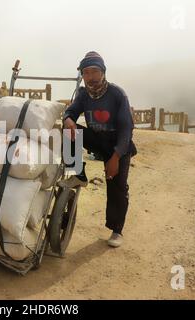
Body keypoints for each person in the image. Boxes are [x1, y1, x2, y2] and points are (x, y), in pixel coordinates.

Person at [58, 51, 137, 248]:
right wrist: (68, 119)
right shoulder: (83, 94)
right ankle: (79, 174)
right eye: (86, 73)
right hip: (98, 139)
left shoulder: (117, 94)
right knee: (67, 131)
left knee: (117, 187)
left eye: (94, 71)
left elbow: (127, 129)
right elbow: (71, 111)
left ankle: (116, 230)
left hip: (119, 144)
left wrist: (116, 157)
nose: (91, 77)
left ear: (103, 72)